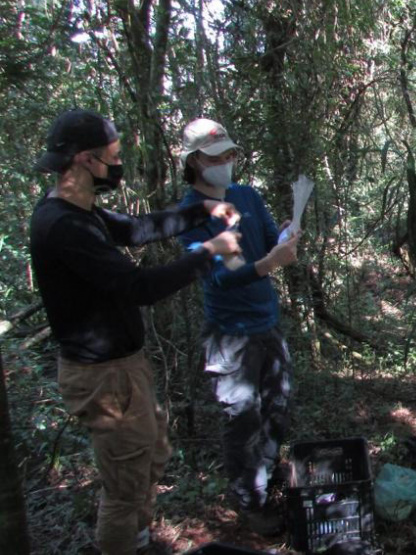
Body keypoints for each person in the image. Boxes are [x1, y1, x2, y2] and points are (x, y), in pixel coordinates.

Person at [29, 109, 241, 554]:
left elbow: (137, 229)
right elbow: (138, 287)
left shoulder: (83, 211)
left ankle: (140, 541)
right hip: (104, 378)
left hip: (124, 369)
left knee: (151, 456)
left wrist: (201, 210)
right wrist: (209, 251)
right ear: (86, 159)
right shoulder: (62, 224)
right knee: (124, 488)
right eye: (113, 156)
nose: (118, 164)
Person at [177, 118, 299, 536]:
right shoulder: (188, 213)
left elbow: (267, 237)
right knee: (241, 417)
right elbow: (219, 274)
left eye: (231, 154)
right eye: (218, 156)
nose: (227, 162)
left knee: (278, 405)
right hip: (230, 333)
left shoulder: (246, 195)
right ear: (196, 161)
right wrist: (269, 264)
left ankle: (265, 473)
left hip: (267, 322)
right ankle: (250, 502)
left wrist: (286, 233)